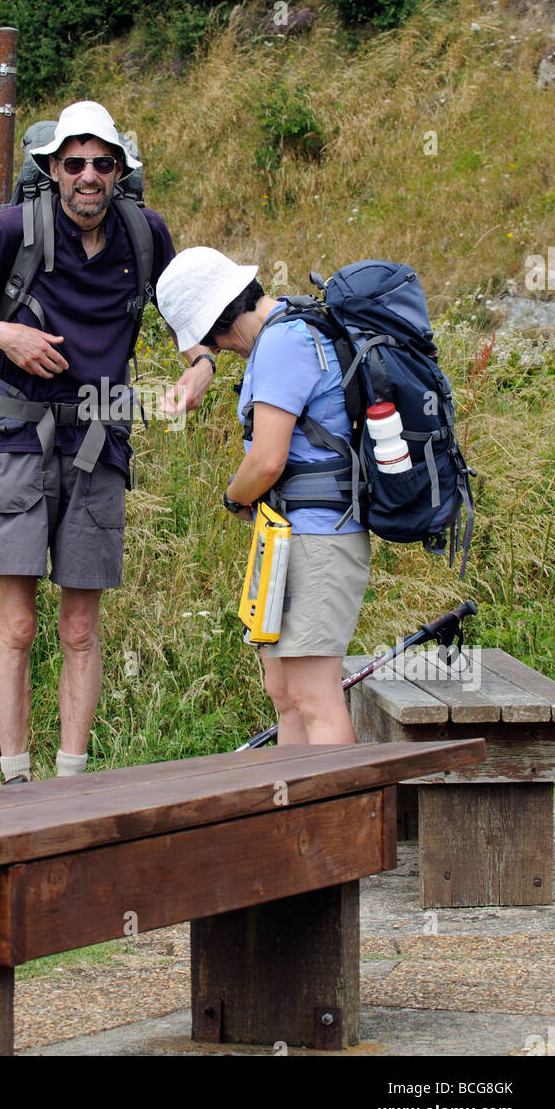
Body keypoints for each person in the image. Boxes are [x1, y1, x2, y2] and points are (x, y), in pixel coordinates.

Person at [0, 101, 215, 781]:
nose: (88, 175)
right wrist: (5, 335)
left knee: (80, 629)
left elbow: (190, 321)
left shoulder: (144, 236)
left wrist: (199, 367)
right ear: (52, 168)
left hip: (99, 445)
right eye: (74, 162)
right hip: (21, 440)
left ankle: (72, 785)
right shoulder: (11, 231)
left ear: (119, 172)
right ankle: (17, 781)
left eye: (101, 163)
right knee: (16, 626)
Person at [156, 247, 371, 745]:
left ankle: (337, 822)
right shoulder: (292, 330)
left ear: (215, 324)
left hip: (317, 537)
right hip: (285, 535)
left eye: (210, 341)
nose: (221, 350)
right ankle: (295, 816)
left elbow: (268, 460)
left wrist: (233, 498)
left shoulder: (281, 343)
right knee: (284, 692)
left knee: (315, 697)